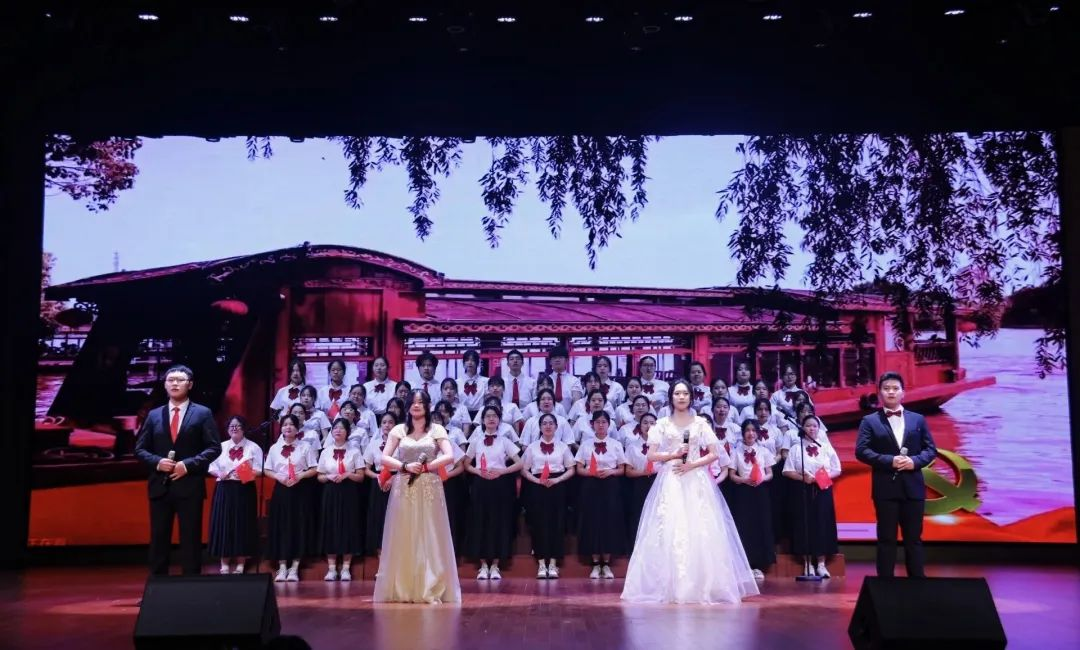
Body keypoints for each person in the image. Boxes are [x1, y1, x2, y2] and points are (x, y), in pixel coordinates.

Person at [621, 378, 758, 604]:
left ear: (691, 397)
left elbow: (714, 453)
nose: (681, 397)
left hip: (696, 478)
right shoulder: (662, 424)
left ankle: (702, 585)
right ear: (671, 397)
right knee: (670, 527)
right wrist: (673, 455)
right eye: (677, 393)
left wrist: (693, 464)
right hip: (671, 478)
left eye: (685, 393)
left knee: (700, 527)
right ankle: (671, 585)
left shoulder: (700, 423)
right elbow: (651, 455)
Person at [374, 389, 461, 603]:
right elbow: (384, 458)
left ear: (428, 406)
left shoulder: (437, 429)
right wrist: (404, 466)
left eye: (421, 402)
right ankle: (404, 587)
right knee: (404, 532)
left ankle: (430, 586)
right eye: (413, 402)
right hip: (404, 484)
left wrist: (427, 467)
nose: (416, 405)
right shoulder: (399, 430)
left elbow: (450, 456)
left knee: (430, 533)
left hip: (429, 484)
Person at [134, 365, 222, 575]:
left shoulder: (202, 413)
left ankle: (191, 586)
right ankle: (157, 585)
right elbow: (140, 449)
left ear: (189, 385)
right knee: (158, 539)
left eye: (180, 380)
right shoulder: (154, 415)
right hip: (160, 486)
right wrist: (157, 462)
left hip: (189, 486)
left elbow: (214, 447)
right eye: (170, 380)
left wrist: (187, 465)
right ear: (165, 385)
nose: (175, 383)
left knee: (190, 539)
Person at [855, 371, 937, 579]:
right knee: (886, 539)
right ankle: (884, 585)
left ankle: (918, 584)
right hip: (885, 489)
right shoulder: (869, 421)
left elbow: (930, 450)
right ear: (879, 393)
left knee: (914, 540)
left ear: (903, 392)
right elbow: (862, 451)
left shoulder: (918, 419)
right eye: (886, 388)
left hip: (913, 488)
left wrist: (914, 462)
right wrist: (889, 460)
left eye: (895, 388)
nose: (891, 392)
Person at [464, 405, 524, 580]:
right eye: (488, 416)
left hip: (500, 485)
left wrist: (502, 471)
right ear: (482, 420)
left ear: (499, 420)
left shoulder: (504, 441)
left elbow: (520, 463)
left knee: (499, 522)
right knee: (480, 521)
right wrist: (478, 472)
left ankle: (496, 565)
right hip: (480, 485)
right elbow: (466, 464)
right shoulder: (476, 441)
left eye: (494, 416)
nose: (491, 419)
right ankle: (483, 565)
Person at [784, 414, 842, 578]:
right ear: (803, 428)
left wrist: (823, 477)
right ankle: (807, 563)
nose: (812, 428)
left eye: (815, 426)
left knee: (822, 523)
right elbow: (787, 471)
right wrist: (803, 478)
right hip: (803, 490)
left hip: (822, 489)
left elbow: (837, 469)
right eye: (808, 425)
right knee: (804, 524)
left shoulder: (826, 447)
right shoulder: (796, 448)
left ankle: (821, 563)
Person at [520, 413, 576, 579]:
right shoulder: (532, 447)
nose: (548, 426)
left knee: (557, 523)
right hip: (538, 487)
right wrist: (537, 481)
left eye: (551, 423)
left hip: (557, 486)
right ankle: (541, 563)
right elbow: (524, 469)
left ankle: (553, 563)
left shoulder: (563, 447)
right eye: (544, 423)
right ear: (540, 427)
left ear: (556, 427)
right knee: (539, 524)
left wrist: (557, 480)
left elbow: (571, 468)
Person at [208, 415, 264, 575]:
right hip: (224, 488)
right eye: (231, 426)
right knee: (224, 524)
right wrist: (219, 473)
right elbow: (211, 467)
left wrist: (245, 473)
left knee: (242, 524)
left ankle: (241, 563)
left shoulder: (253, 447)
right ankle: (224, 563)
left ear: (244, 428)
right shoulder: (221, 446)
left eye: (237, 426)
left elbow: (260, 469)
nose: (234, 428)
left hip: (244, 489)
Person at [266, 414, 318, 582]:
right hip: (281, 490)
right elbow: (267, 469)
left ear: (297, 429)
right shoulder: (274, 448)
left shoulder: (305, 447)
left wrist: (300, 476)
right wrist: (278, 477)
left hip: (299, 490)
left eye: (291, 425)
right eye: (285, 424)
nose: (288, 427)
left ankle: (294, 568)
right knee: (281, 526)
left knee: (298, 526)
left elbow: (314, 468)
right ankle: (282, 567)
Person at [575, 411, 627, 579]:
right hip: (591, 485)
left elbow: (622, 469)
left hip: (610, 486)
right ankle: (596, 564)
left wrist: (610, 471)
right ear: (592, 425)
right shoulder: (585, 444)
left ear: (609, 425)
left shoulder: (616, 444)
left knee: (609, 522)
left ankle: (607, 563)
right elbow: (579, 468)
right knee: (592, 521)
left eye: (604, 422)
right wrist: (592, 473)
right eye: (597, 422)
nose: (601, 425)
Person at [317, 418, 366, 581]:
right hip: (330, 492)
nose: (338, 430)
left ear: (348, 432)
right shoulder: (326, 451)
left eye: (342, 428)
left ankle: (346, 568)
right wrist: (328, 477)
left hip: (349, 492)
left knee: (348, 526)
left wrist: (347, 474)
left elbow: (361, 476)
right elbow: (319, 476)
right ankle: (331, 568)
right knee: (330, 526)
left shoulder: (354, 451)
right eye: (335, 428)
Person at [728, 420, 775, 582]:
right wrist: (744, 480)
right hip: (743, 492)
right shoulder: (736, 452)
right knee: (744, 526)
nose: (750, 433)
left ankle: (758, 565)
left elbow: (770, 473)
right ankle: (745, 565)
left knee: (760, 525)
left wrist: (761, 479)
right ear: (743, 433)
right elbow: (732, 475)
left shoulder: (764, 451)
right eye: (747, 430)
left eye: (754, 430)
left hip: (760, 491)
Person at [363, 412, 400, 558]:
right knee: (379, 517)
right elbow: (366, 468)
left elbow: (407, 466)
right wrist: (377, 477)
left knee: (397, 518)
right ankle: (381, 555)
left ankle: (396, 554)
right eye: (384, 422)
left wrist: (393, 478)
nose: (387, 425)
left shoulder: (402, 444)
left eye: (390, 422)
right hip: (378, 483)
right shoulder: (373, 444)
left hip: (398, 481)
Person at [622, 412, 658, 551]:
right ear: (640, 426)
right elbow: (628, 471)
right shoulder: (632, 447)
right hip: (639, 484)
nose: (648, 426)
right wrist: (643, 473)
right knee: (638, 515)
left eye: (652, 423)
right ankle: (636, 548)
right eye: (645, 423)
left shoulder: (663, 446)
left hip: (658, 483)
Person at [548, 345, 582, 414]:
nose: (557, 360)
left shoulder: (574, 381)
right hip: (547, 418)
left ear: (567, 360)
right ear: (550, 361)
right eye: (554, 358)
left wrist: (569, 418)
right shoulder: (545, 380)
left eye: (560, 357)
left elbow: (576, 403)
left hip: (569, 418)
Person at [459, 349, 489, 418]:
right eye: (467, 360)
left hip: (481, 415)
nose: (470, 362)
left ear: (477, 363)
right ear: (463, 363)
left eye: (473, 360)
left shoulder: (486, 381)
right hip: (462, 416)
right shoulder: (457, 382)